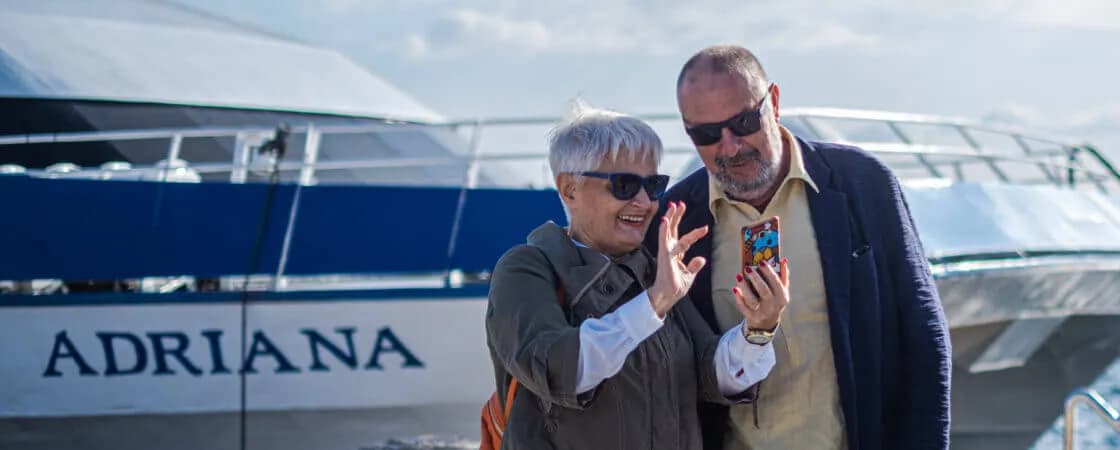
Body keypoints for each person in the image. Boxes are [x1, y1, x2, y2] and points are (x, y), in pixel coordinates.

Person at [644, 45, 952, 450]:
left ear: (773, 102)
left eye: (743, 122)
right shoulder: (676, 221)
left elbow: (923, 332)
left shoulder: (862, 183)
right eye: (707, 134)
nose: (730, 146)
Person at [484, 103, 790, 449]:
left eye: (653, 185)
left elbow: (709, 373)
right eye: (625, 185)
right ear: (569, 189)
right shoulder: (525, 269)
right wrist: (655, 302)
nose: (645, 202)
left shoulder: (653, 272)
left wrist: (758, 329)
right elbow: (560, 371)